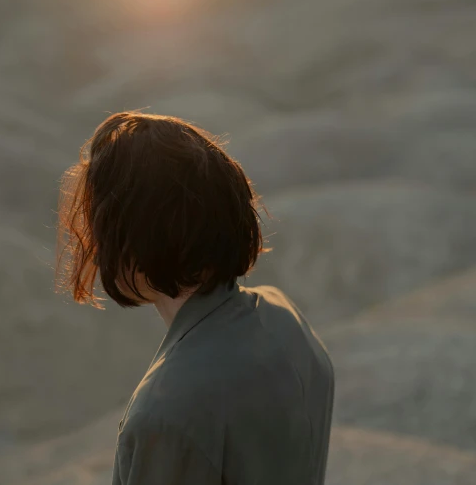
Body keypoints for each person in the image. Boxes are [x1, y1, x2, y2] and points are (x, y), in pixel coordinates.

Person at [55, 111, 335, 484]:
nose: (94, 245)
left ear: (139, 237)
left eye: (101, 228)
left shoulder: (167, 412)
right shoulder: (282, 317)